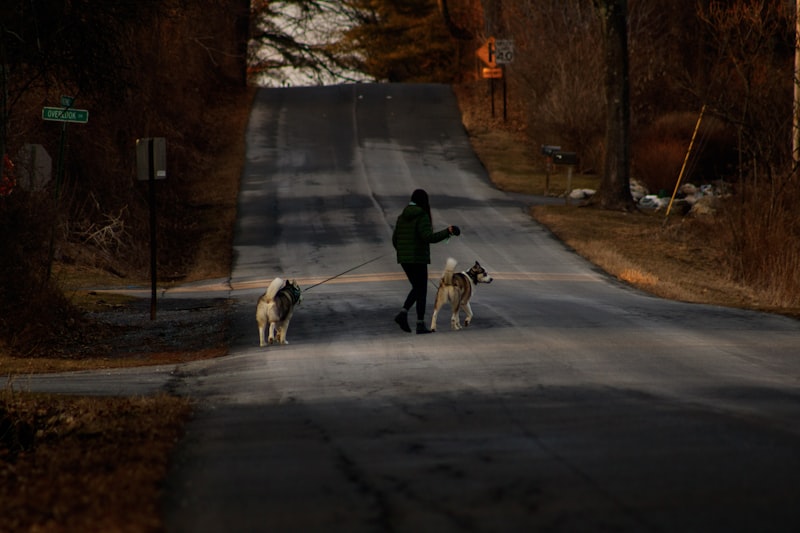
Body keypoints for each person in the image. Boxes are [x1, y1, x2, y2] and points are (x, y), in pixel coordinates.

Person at [392, 189, 460, 334]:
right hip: (418, 258)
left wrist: (403, 251)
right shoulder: (422, 216)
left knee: (418, 288)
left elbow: (394, 239)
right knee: (420, 289)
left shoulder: (401, 217)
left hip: (404, 259)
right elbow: (428, 237)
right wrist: (448, 231)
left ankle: (414, 321)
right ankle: (409, 318)